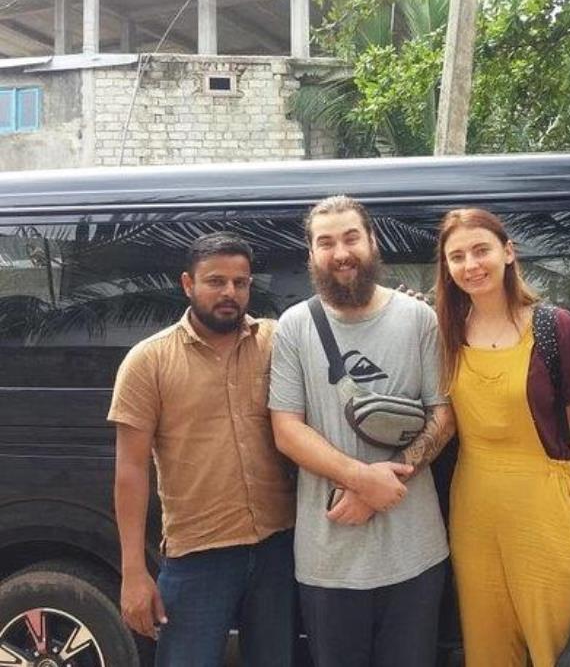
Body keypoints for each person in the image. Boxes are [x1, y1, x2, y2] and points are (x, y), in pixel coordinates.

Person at [434, 208, 570, 666]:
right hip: (474, 515)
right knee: (488, 649)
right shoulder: (444, 333)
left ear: (507, 252)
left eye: (481, 250)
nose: (470, 265)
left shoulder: (555, 328)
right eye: (457, 256)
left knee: (556, 649)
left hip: (549, 512)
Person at [269, 195, 455, 667]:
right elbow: (287, 429)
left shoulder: (419, 319)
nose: (341, 253)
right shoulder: (294, 326)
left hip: (415, 554)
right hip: (328, 560)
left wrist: (386, 483)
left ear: (372, 241)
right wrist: (361, 479)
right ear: (311, 254)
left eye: (351, 237)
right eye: (326, 242)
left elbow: (444, 414)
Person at [108, 232, 296, 667]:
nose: (230, 292)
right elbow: (131, 469)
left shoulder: (276, 342)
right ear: (188, 284)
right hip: (198, 556)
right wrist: (133, 572)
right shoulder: (149, 361)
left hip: (277, 547)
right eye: (216, 281)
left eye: (240, 282)